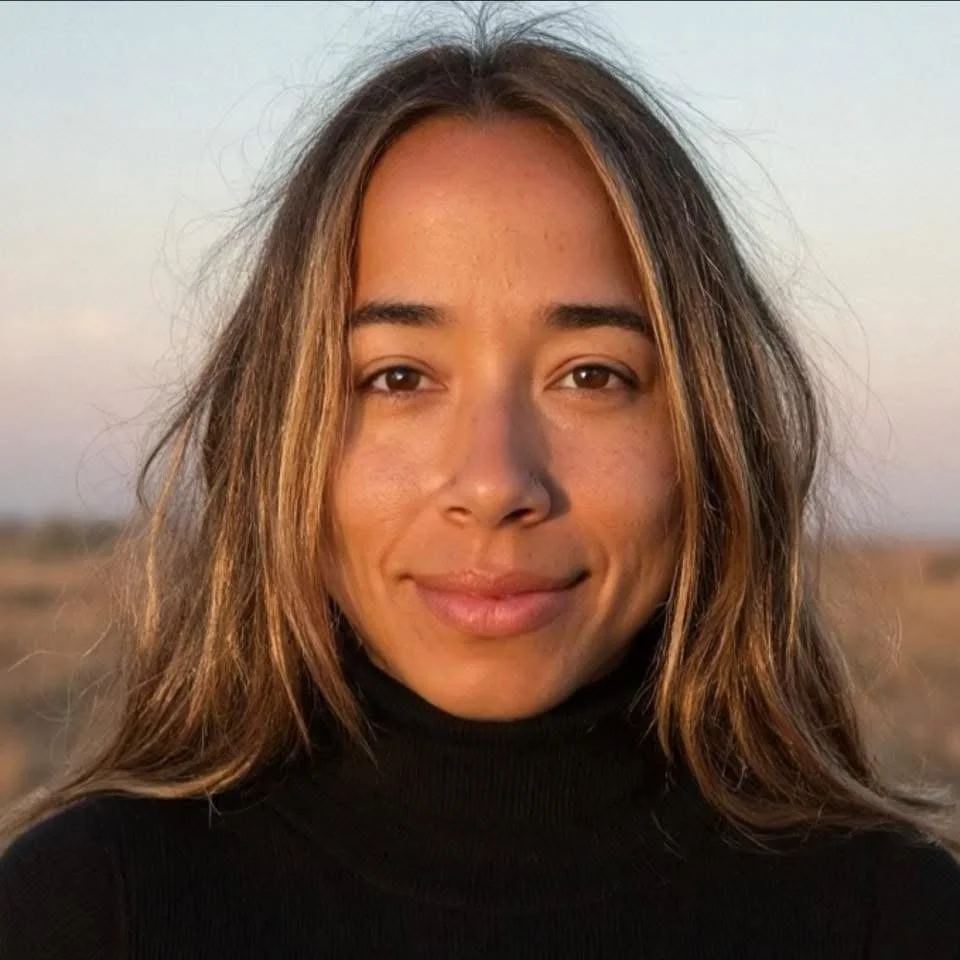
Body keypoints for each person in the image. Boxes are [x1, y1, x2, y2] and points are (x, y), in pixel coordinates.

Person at [1, 11, 958, 959]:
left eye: (591, 376)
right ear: (275, 440)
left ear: (709, 435)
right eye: (398, 377)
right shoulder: (85, 914)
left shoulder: (898, 921)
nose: (496, 483)